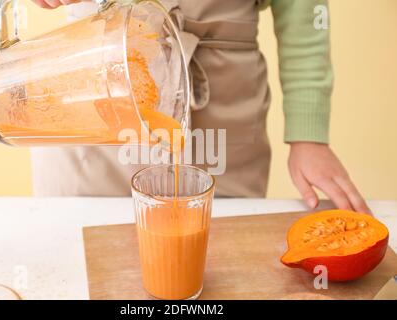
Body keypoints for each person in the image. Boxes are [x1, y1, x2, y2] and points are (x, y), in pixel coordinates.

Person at [30, 0, 371, 214]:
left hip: (225, 109)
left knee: (220, 260)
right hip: (96, 91)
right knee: (83, 257)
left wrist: (308, 136)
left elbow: (305, 12)